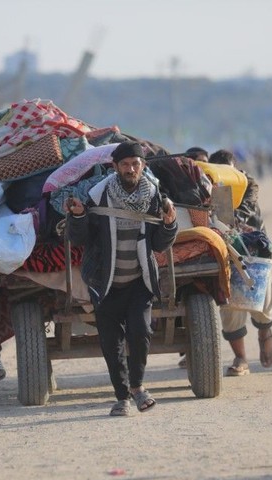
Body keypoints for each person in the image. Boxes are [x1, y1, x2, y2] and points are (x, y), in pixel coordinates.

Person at [66, 141, 178, 416]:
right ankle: (121, 398)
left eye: (135, 164)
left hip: (139, 281)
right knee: (110, 340)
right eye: (125, 164)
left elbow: (160, 244)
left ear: (143, 166)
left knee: (141, 332)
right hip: (104, 283)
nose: (131, 169)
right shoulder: (98, 194)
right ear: (115, 167)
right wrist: (79, 216)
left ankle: (137, 388)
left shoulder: (153, 195)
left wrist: (169, 224)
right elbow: (78, 238)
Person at [209, 148, 272, 376]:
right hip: (225, 254)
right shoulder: (210, 187)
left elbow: (242, 211)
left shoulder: (248, 185)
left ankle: (264, 334)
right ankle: (241, 358)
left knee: (262, 302)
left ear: (235, 169)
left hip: (256, 251)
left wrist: (235, 222)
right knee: (230, 305)